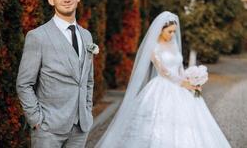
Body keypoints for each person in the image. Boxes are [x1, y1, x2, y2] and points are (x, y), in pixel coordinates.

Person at [95, 11, 231, 148]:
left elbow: (179, 67)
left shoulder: (174, 45)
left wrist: (191, 80)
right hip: (163, 86)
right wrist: (183, 83)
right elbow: (163, 71)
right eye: (169, 31)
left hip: (181, 85)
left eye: (174, 32)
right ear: (160, 30)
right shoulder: (153, 47)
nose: (172, 35)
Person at [16, 0, 95, 148]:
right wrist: (36, 120)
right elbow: (24, 83)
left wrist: (87, 111)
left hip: (80, 127)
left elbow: (87, 80)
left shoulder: (86, 35)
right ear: (51, 0)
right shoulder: (38, 37)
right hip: (48, 129)